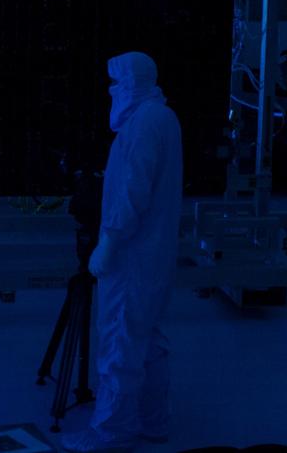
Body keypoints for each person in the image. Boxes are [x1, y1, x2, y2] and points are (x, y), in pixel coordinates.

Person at [63, 51, 183, 453]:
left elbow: (132, 193)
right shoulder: (163, 117)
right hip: (154, 254)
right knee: (146, 338)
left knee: (119, 340)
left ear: (131, 82)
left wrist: (107, 244)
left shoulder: (142, 125)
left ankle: (112, 432)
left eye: (116, 83)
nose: (112, 91)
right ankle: (153, 422)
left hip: (131, 254)